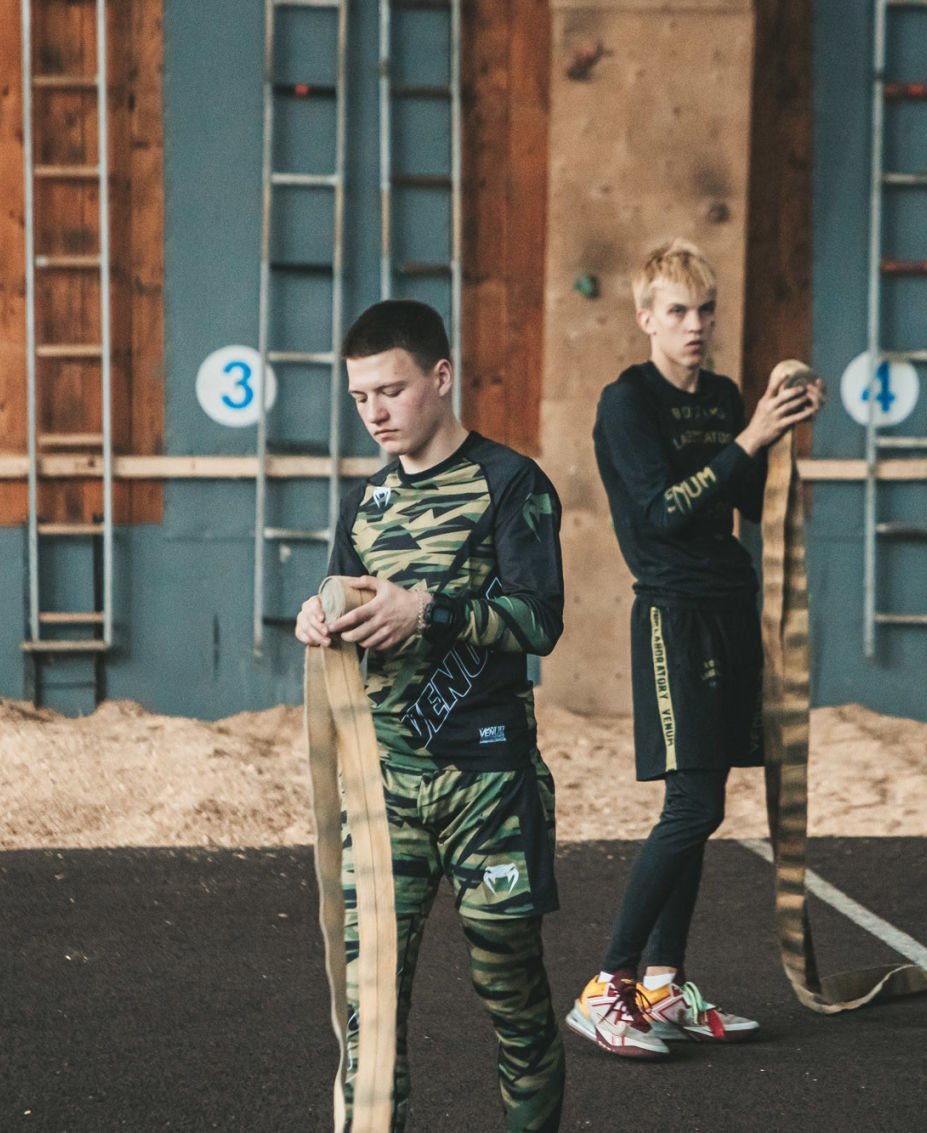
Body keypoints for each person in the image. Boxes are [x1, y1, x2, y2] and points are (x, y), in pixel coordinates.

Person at [295, 299, 566, 1130]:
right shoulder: (364, 502)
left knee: (510, 993)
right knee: (369, 1013)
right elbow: (344, 597)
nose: (375, 412)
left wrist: (429, 610)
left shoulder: (511, 482)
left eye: (392, 390)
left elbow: (540, 620)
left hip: (490, 783)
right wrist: (317, 616)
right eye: (360, 397)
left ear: (441, 376)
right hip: (385, 792)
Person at [565, 239, 825, 1058]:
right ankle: (606, 985)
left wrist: (782, 428)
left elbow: (744, 494)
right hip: (673, 614)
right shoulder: (627, 402)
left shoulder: (722, 397)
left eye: (705, 310)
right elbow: (663, 512)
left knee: (704, 802)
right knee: (692, 806)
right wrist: (750, 437)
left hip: (731, 606)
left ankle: (662, 983)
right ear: (646, 318)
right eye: (677, 311)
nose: (695, 325)